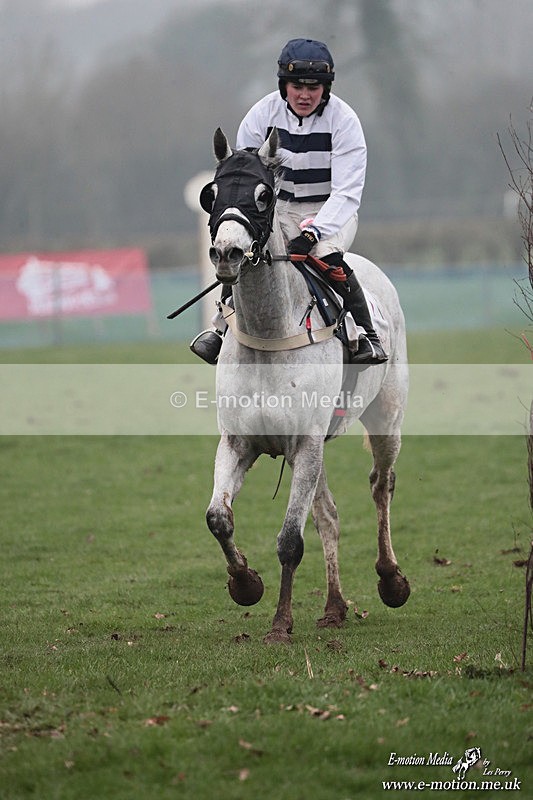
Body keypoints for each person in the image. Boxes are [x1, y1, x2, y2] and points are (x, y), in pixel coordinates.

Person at [191, 37, 387, 365]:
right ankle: (220, 329)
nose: (305, 95)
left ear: (326, 88)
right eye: (297, 86)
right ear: (285, 85)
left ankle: (368, 335)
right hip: (275, 209)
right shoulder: (260, 115)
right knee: (245, 249)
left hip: (328, 210)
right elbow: (244, 181)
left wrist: (313, 233)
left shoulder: (345, 122)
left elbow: (347, 193)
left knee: (325, 254)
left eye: (315, 87)